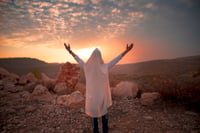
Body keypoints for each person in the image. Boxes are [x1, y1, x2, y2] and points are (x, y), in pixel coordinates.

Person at [64, 43, 134, 133]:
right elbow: (116, 60)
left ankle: (95, 131)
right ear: (100, 57)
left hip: (92, 98)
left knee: (94, 118)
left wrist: (70, 51)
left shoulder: (87, 67)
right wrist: (126, 51)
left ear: (91, 57)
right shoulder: (105, 67)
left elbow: (77, 59)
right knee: (104, 117)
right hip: (102, 98)